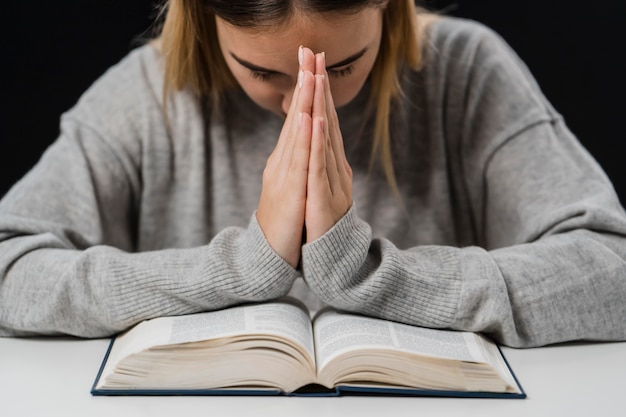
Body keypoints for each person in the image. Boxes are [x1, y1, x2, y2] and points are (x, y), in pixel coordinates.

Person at [1, 0, 625, 348]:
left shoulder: (466, 72)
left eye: (343, 65)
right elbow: (10, 265)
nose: (304, 102)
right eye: (264, 72)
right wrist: (240, 267)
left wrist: (375, 274)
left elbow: (613, 266)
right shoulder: (148, 95)